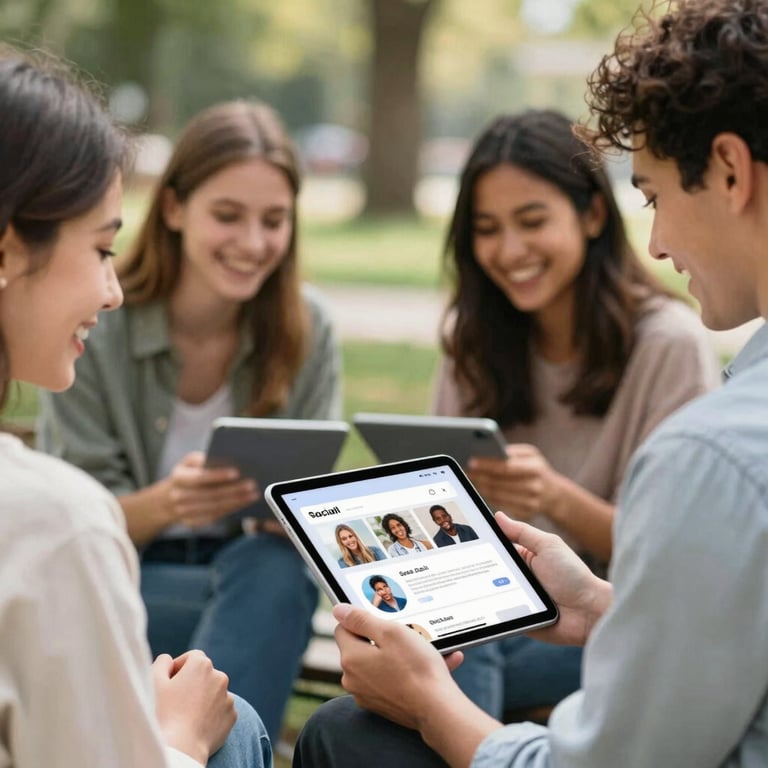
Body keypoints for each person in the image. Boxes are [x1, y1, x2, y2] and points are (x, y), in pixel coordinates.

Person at [292, 0, 768, 765]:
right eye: (486, 228)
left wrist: (433, 706)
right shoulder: (479, 341)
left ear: (730, 171)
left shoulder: (711, 454)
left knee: (353, 730)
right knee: (411, 678)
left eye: (651, 196)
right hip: (556, 622)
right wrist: (590, 607)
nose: (657, 239)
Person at [36, 98, 342, 742]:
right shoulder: (97, 322)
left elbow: (318, 508)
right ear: (174, 208)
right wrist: (172, 502)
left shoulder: (306, 329)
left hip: (253, 578)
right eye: (228, 216)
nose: (253, 243)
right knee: (268, 589)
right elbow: (75, 532)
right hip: (128, 583)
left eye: (274, 220)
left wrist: (291, 516)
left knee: (272, 569)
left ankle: (192, 747)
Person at [0, 47, 271, 767]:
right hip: (143, 575)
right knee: (233, 720)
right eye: (99, 249)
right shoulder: (52, 522)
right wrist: (180, 738)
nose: (111, 291)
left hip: (222, 573)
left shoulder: (300, 330)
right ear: (6, 251)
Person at [431, 106, 720, 717]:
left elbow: (672, 555)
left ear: (591, 214)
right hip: (496, 620)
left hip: (614, 624)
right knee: (442, 646)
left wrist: (553, 497)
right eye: (487, 228)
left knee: (464, 639)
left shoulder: (667, 343)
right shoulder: (471, 339)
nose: (509, 250)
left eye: (532, 221)